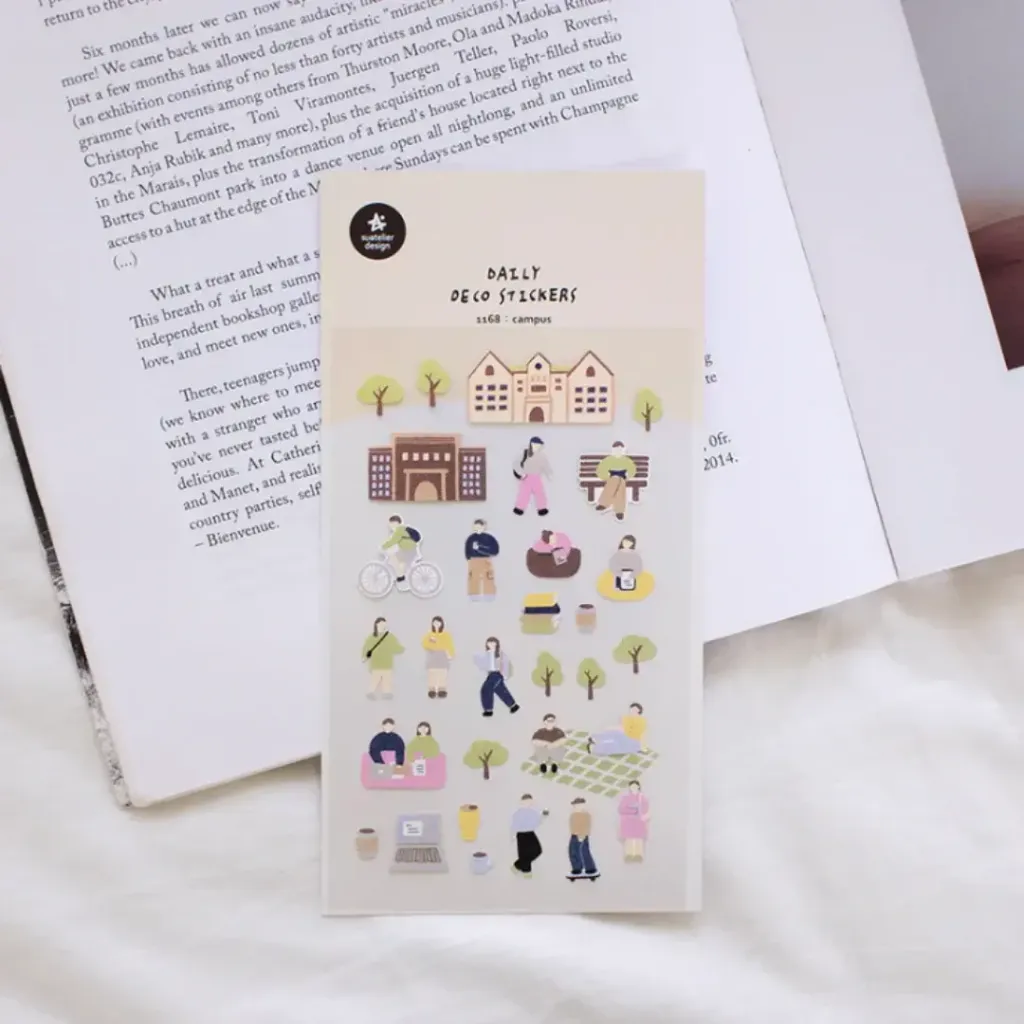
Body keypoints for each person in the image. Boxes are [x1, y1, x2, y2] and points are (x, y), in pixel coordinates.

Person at [473, 636, 520, 717]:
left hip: (497, 674)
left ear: (496, 644)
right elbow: (485, 665)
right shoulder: (487, 654)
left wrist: (504, 675)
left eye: (493, 643)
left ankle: (488, 709)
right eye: (489, 643)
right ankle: (513, 705)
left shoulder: (500, 655)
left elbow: (505, 664)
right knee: (500, 690)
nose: (491, 645)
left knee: (486, 689)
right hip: (491, 675)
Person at [361, 616, 404, 699]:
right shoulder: (372, 637)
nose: (382, 626)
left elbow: (395, 646)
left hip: (386, 663)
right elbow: (366, 648)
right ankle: (371, 692)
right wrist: (364, 656)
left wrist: (401, 649)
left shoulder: (389, 637)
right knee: (376, 679)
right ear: (376, 625)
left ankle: (386, 693)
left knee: (386, 679)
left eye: (384, 624)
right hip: (377, 663)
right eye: (380, 624)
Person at [594, 441, 637, 521]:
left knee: (620, 487)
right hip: (612, 478)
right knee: (616, 484)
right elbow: (601, 470)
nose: (618, 451)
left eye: (620, 450)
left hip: (622, 478)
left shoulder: (626, 460)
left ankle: (605, 504)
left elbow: (632, 470)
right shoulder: (608, 460)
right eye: (616, 450)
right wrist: (606, 477)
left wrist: (627, 476)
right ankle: (618, 510)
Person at [512, 436, 553, 516]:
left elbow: (546, 466)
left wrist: (549, 473)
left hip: (536, 477)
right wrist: (520, 472)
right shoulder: (524, 454)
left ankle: (542, 508)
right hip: (526, 477)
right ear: (531, 444)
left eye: (539, 445)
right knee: (524, 493)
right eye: (536, 445)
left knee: (539, 493)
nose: (537, 447)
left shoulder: (541, 456)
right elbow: (516, 464)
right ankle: (519, 508)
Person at [510, 793, 548, 877]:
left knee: (537, 850)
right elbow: (514, 825)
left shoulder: (533, 812)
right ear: (522, 802)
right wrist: (512, 835)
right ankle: (526, 872)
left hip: (530, 833)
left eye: (530, 802)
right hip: (521, 834)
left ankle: (517, 866)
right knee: (523, 853)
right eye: (526, 802)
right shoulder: (518, 813)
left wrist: (543, 816)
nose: (528, 804)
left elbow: (538, 822)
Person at [380, 514, 421, 591]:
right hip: (408, 550)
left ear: (396, 523)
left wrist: (383, 547)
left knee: (397, 561)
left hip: (408, 551)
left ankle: (401, 578)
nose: (390, 526)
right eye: (390, 524)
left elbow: (393, 541)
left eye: (392, 524)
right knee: (395, 558)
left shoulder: (399, 530)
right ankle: (401, 576)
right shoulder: (402, 529)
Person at [464, 519, 499, 600]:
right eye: (476, 527)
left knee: (488, 578)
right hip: (474, 561)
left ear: (484, 527)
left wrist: (480, 548)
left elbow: (495, 551)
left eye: (479, 527)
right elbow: (467, 550)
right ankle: (473, 595)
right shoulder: (471, 538)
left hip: (486, 561)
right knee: (474, 579)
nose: (478, 529)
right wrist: (470, 560)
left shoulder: (489, 538)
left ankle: (489, 595)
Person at [421, 616, 455, 699]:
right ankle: (432, 689)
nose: (436, 625)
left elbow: (450, 645)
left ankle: (441, 689)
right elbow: (424, 643)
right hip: (432, 656)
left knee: (442, 673)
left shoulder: (446, 635)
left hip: (442, 656)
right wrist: (431, 645)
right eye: (435, 623)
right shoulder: (429, 635)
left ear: (441, 624)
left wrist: (451, 654)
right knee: (432, 673)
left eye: (438, 623)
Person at [567, 797, 600, 880]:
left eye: (577, 805)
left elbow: (587, 826)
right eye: (575, 805)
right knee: (573, 851)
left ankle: (590, 869)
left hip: (582, 835)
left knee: (584, 852)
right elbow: (572, 825)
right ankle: (577, 868)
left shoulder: (585, 815)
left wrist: (583, 835)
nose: (575, 807)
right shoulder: (573, 815)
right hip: (574, 834)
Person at [617, 779, 650, 862]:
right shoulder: (626, 798)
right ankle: (629, 854)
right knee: (629, 839)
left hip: (639, 822)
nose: (633, 788)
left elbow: (645, 808)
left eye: (635, 786)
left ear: (638, 787)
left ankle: (638, 854)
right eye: (632, 787)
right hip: (628, 822)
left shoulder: (642, 798)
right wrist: (633, 810)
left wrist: (642, 814)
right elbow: (621, 809)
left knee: (638, 839)